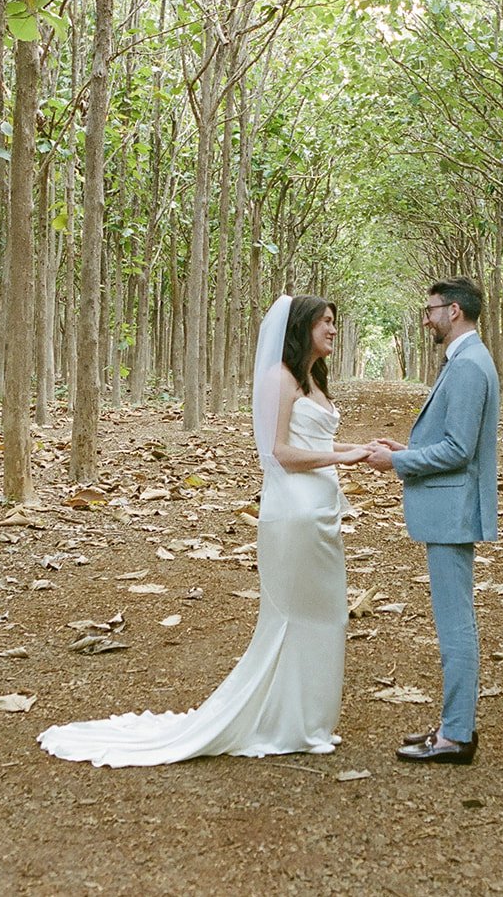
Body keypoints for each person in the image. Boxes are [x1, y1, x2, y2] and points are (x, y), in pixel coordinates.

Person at [38, 294, 370, 767]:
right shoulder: (280, 377)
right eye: (326, 323)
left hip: (321, 510)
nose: (333, 330)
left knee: (328, 615)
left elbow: (316, 441)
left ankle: (308, 722)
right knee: (296, 617)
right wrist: (342, 457)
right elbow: (277, 453)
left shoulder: (312, 379)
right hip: (294, 510)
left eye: (335, 323)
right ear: (302, 328)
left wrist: (363, 447)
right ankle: (287, 724)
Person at [366, 277, 499, 765]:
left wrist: (397, 463)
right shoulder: (466, 360)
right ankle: (453, 725)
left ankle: (457, 735)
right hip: (450, 508)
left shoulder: (467, 366)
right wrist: (411, 449)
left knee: (455, 623)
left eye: (431, 310)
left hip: (453, 510)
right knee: (454, 619)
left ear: (455, 311)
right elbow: (451, 439)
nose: (427, 318)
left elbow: (460, 450)